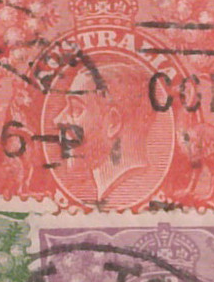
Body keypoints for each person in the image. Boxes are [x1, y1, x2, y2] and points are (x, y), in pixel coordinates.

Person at [52, 58, 161, 207]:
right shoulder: (130, 194)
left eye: (76, 109)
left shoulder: (130, 191)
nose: (58, 120)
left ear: (113, 123)